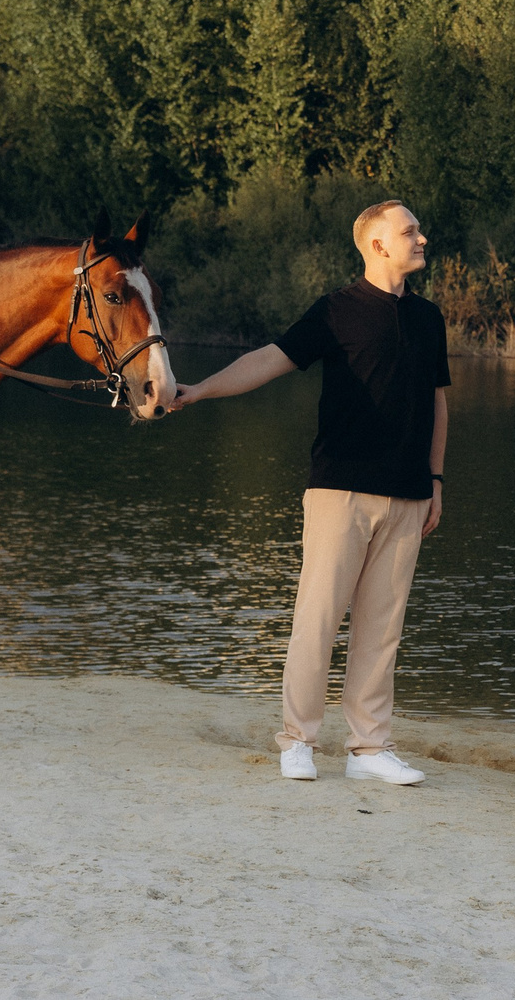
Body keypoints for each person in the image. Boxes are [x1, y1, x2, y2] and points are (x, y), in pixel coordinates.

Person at [169, 200, 447, 785]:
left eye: (418, 230)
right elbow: (268, 361)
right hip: (340, 490)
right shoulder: (336, 311)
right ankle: (298, 741)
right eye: (410, 231)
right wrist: (199, 391)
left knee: (381, 630)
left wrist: (436, 480)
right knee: (317, 620)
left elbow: (438, 403)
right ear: (377, 245)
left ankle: (368, 751)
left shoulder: (429, 319)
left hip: (409, 493)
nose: (421, 238)